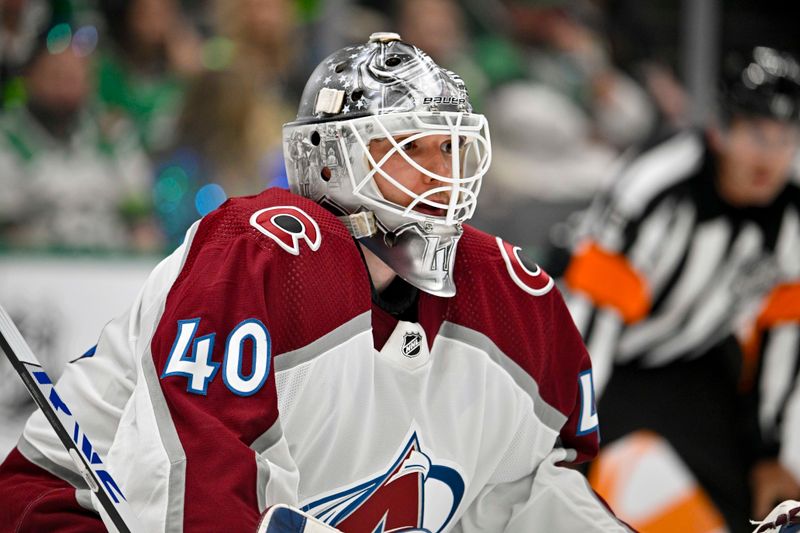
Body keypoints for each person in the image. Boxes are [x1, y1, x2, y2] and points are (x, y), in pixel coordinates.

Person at [0, 33, 630, 532]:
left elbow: (535, 492)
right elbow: (191, 481)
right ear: (332, 159)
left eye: (450, 149)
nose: (444, 174)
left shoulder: (510, 294)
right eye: (410, 150)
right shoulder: (265, 251)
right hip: (76, 513)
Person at [559, 45, 800, 532]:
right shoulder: (654, 187)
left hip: (693, 359)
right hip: (602, 361)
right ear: (720, 130)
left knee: (766, 499)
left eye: (785, 137)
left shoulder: (792, 208)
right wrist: (566, 435)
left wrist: (769, 451)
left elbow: (783, 331)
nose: (769, 156)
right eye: (757, 134)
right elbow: (591, 320)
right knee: (551, 487)